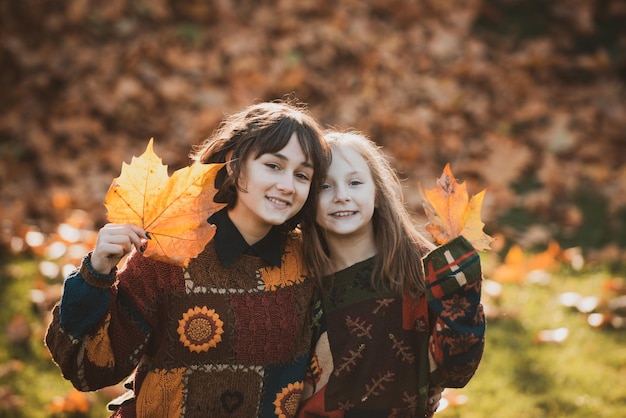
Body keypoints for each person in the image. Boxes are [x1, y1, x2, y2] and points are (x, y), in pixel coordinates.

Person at [45, 100, 331, 417]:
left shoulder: (309, 261)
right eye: (273, 166)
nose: (287, 185)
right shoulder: (169, 254)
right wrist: (96, 274)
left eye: (302, 175)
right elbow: (91, 368)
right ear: (234, 165)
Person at [297, 131, 486, 418]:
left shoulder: (421, 268)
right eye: (324, 186)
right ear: (307, 201)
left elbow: (455, 371)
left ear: (377, 194)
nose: (342, 196)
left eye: (355, 182)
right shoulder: (299, 273)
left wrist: (461, 293)